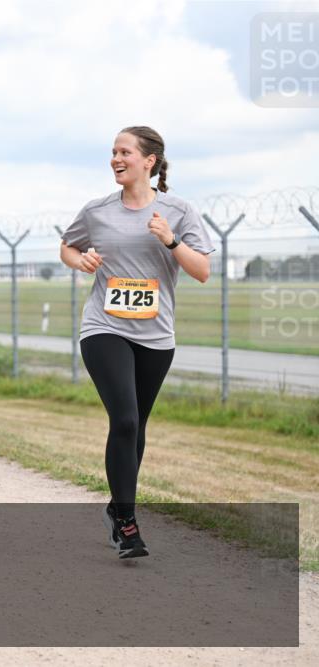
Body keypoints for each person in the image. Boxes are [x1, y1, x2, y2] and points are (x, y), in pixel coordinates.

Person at [60, 126, 214, 559]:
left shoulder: (178, 210)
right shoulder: (97, 211)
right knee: (125, 420)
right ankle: (128, 525)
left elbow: (202, 270)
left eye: (124, 152)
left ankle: (116, 506)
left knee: (136, 426)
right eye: (112, 152)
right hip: (104, 327)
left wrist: (170, 239)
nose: (115, 158)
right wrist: (81, 260)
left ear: (150, 161)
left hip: (156, 335)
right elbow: (67, 247)